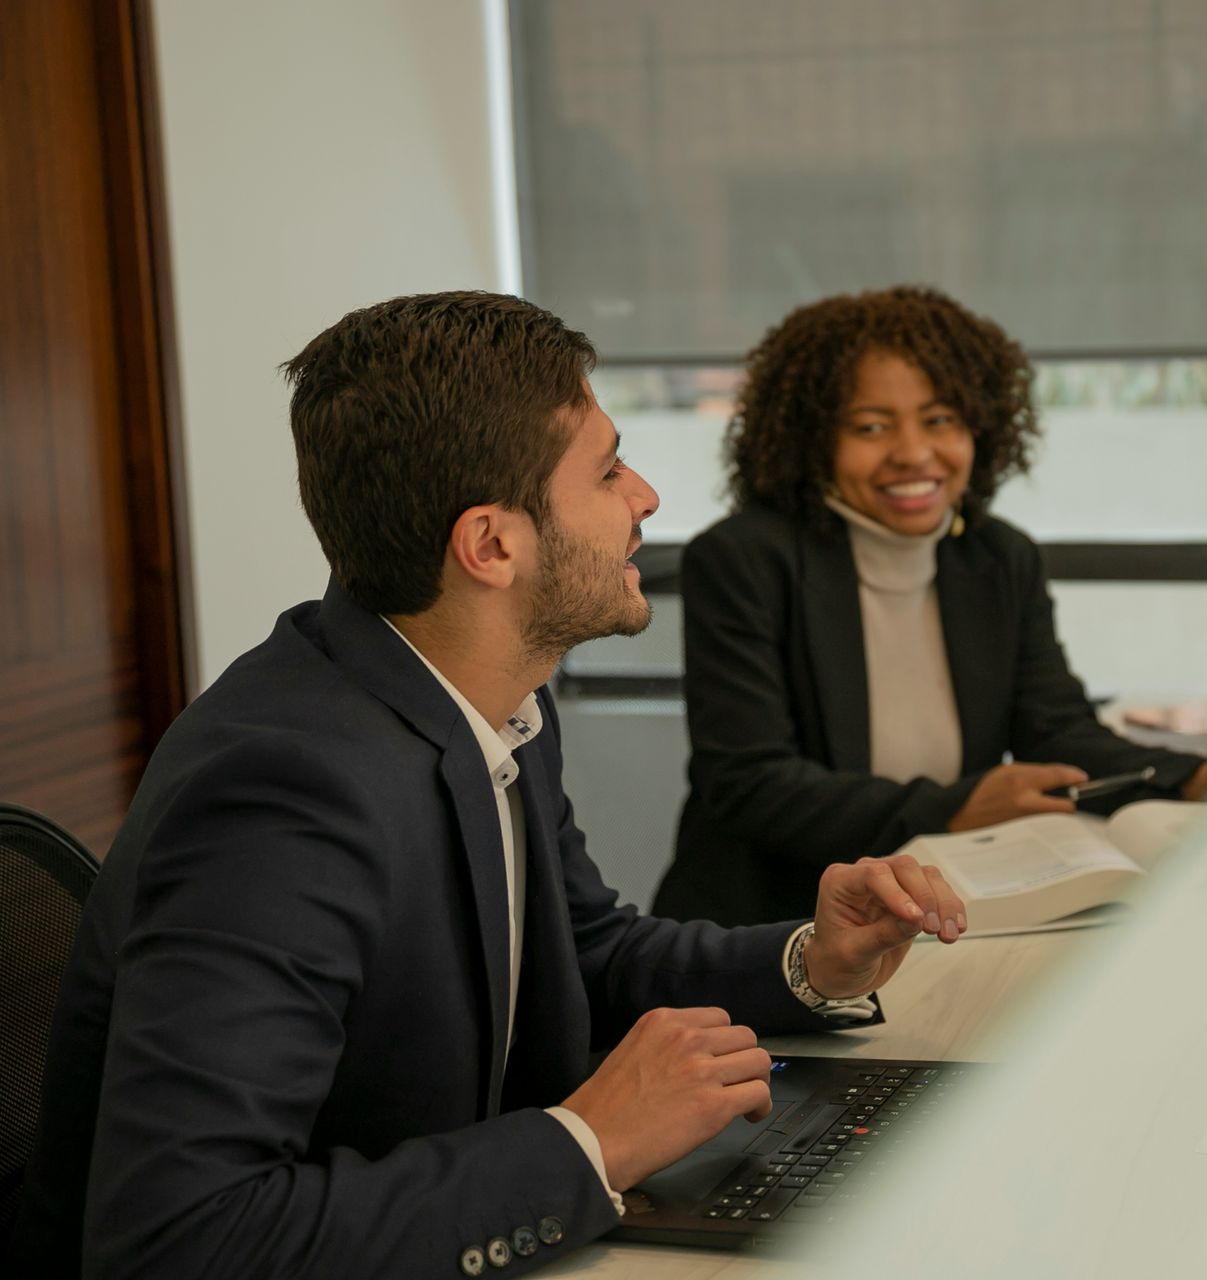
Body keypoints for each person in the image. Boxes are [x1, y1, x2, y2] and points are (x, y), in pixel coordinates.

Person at [3, 292, 965, 1279]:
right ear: (492, 544)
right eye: (606, 469)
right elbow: (183, 1239)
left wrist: (812, 962)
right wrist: (588, 1143)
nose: (645, 495)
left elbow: (585, 951)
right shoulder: (282, 792)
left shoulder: (477, 694)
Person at [650, 286, 1207, 928]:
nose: (913, 452)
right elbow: (749, 782)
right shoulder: (743, 559)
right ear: (809, 440)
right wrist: (952, 807)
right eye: (871, 426)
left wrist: (1200, 780)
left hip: (943, 905)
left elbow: (1058, 729)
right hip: (773, 922)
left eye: (940, 419)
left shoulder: (998, 558)